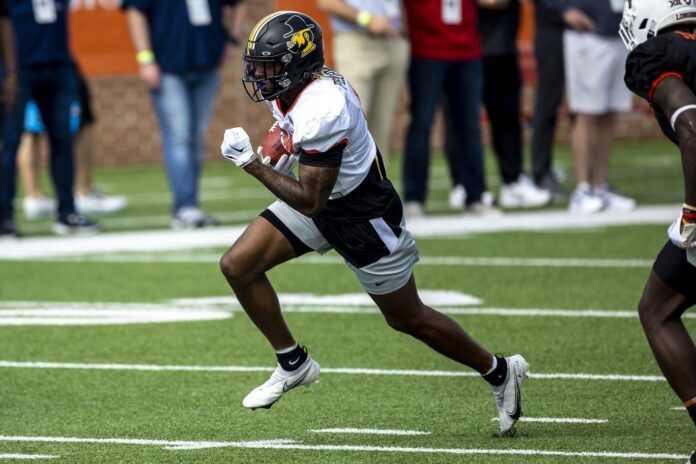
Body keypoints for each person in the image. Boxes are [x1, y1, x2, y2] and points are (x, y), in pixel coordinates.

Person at [218, 11, 529, 435]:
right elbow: (302, 157)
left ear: (297, 64)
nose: (259, 74)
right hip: (326, 197)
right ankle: (293, 361)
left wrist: (254, 165)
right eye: (257, 65)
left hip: (362, 214)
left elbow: (310, 201)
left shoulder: (323, 106)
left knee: (408, 318)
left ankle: (498, 370)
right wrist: (283, 141)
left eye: (268, 65)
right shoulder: (298, 87)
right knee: (238, 264)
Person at [621, 1, 696, 462]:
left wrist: (692, 211)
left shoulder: (658, 54)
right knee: (659, 303)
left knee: (658, 311)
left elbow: (691, 127)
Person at [123, 0, 246, 229]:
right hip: (168, 66)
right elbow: (134, 11)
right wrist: (145, 58)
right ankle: (185, 207)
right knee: (179, 136)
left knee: (195, 138)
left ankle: (190, 205)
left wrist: (231, 38)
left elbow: (239, 4)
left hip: (206, 65)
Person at [0, 0, 99, 237]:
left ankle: (67, 211)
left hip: (58, 64)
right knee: (10, 142)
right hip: (21, 67)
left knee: (63, 139)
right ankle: (5, 216)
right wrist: (9, 72)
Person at [445, 0, 551, 210]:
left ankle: (512, 182)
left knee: (508, 118)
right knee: (461, 120)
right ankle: (462, 184)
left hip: (502, 45)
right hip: (466, 46)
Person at [544, 0, 636, 214]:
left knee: (609, 114)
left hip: (620, 33)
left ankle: (599, 186)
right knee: (587, 113)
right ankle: (582, 189)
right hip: (588, 34)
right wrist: (563, 9)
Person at [400, 0, 489, 217]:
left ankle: (475, 196)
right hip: (426, 50)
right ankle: (414, 197)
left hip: (468, 51)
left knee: (470, 127)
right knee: (421, 124)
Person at [19, 69, 127, 220]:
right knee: (77, 122)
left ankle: (34, 196)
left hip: (23, 65)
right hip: (53, 63)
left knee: (29, 128)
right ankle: (84, 192)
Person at [316, 0, 408, 162]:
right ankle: (348, 187)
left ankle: (378, 186)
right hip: (358, 44)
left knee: (382, 131)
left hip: (394, 41)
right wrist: (367, 19)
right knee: (351, 129)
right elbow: (327, 2)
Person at [530, 0, 566, 198]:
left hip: (576, 28)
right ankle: (541, 171)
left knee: (584, 107)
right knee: (547, 102)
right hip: (551, 28)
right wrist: (564, 11)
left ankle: (591, 177)